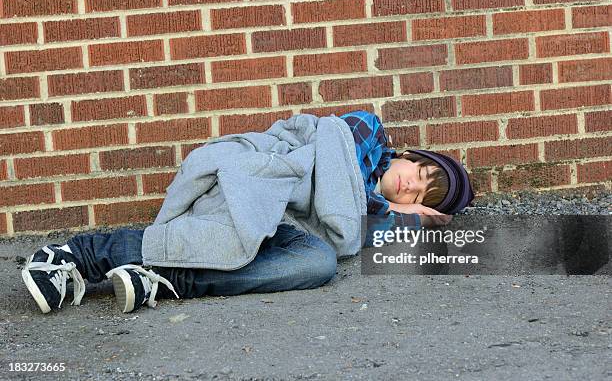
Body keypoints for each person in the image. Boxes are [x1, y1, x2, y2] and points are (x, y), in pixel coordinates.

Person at [21, 111, 474, 314]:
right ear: (411, 156)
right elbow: (340, 211)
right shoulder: (364, 129)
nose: (413, 185)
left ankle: (166, 279)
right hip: (267, 182)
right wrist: (390, 209)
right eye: (421, 173)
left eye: (422, 197)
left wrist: (395, 217)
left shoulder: (381, 212)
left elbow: (341, 238)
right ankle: (76, 255)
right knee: (236, 228)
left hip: (292, 228)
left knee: (321, 263)